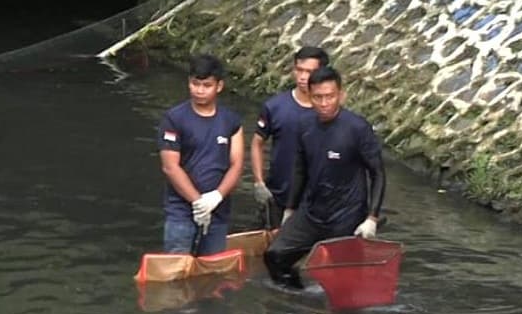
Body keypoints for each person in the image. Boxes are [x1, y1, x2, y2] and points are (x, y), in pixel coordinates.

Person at [263, 66, 387, 287]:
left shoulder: (357, 128)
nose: (324, 103)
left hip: (346, 214)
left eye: (329, 96)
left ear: (341, 95)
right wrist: (290, 209)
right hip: (312, 211)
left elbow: (377, 173)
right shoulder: (305, 125)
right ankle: (295, 299)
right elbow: (300, 168)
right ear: (309, 97)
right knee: (275, 256)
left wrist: (372, 218)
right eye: (318, 97)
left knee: (341, 276)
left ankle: (343, 312)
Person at [156, 53, 244, 256]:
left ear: (219, 86)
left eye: (206, 85)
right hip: (181, 211)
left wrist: (216, 196)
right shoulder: (174, 119)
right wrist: (197, 202)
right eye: (196, 84)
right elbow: (170, 166)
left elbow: (237, 164)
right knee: (176, 269)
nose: (200, 91)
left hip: (218, 211)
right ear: (189, 83)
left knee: (213, 272)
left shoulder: (231, 121)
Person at [250, 46, 329, 228]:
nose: (302, 77)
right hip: (278, 194)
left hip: (316, 200)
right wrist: (259, 182)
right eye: (299, 70)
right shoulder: (275, 107)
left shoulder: (329, 112)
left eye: (309, 72)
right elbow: (257, 143)